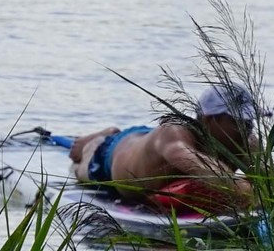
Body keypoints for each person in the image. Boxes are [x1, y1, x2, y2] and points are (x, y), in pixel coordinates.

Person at [67, 83, 263, 214]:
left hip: (146, 142)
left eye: (250, 120)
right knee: (79, 167)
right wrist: (246, 191)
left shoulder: (245, 140)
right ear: (211, 119)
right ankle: (101, 137)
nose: (248, 127)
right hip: (109, 157)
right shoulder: (174, 135)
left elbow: (271, 180)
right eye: (239, 121)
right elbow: (199, 166)